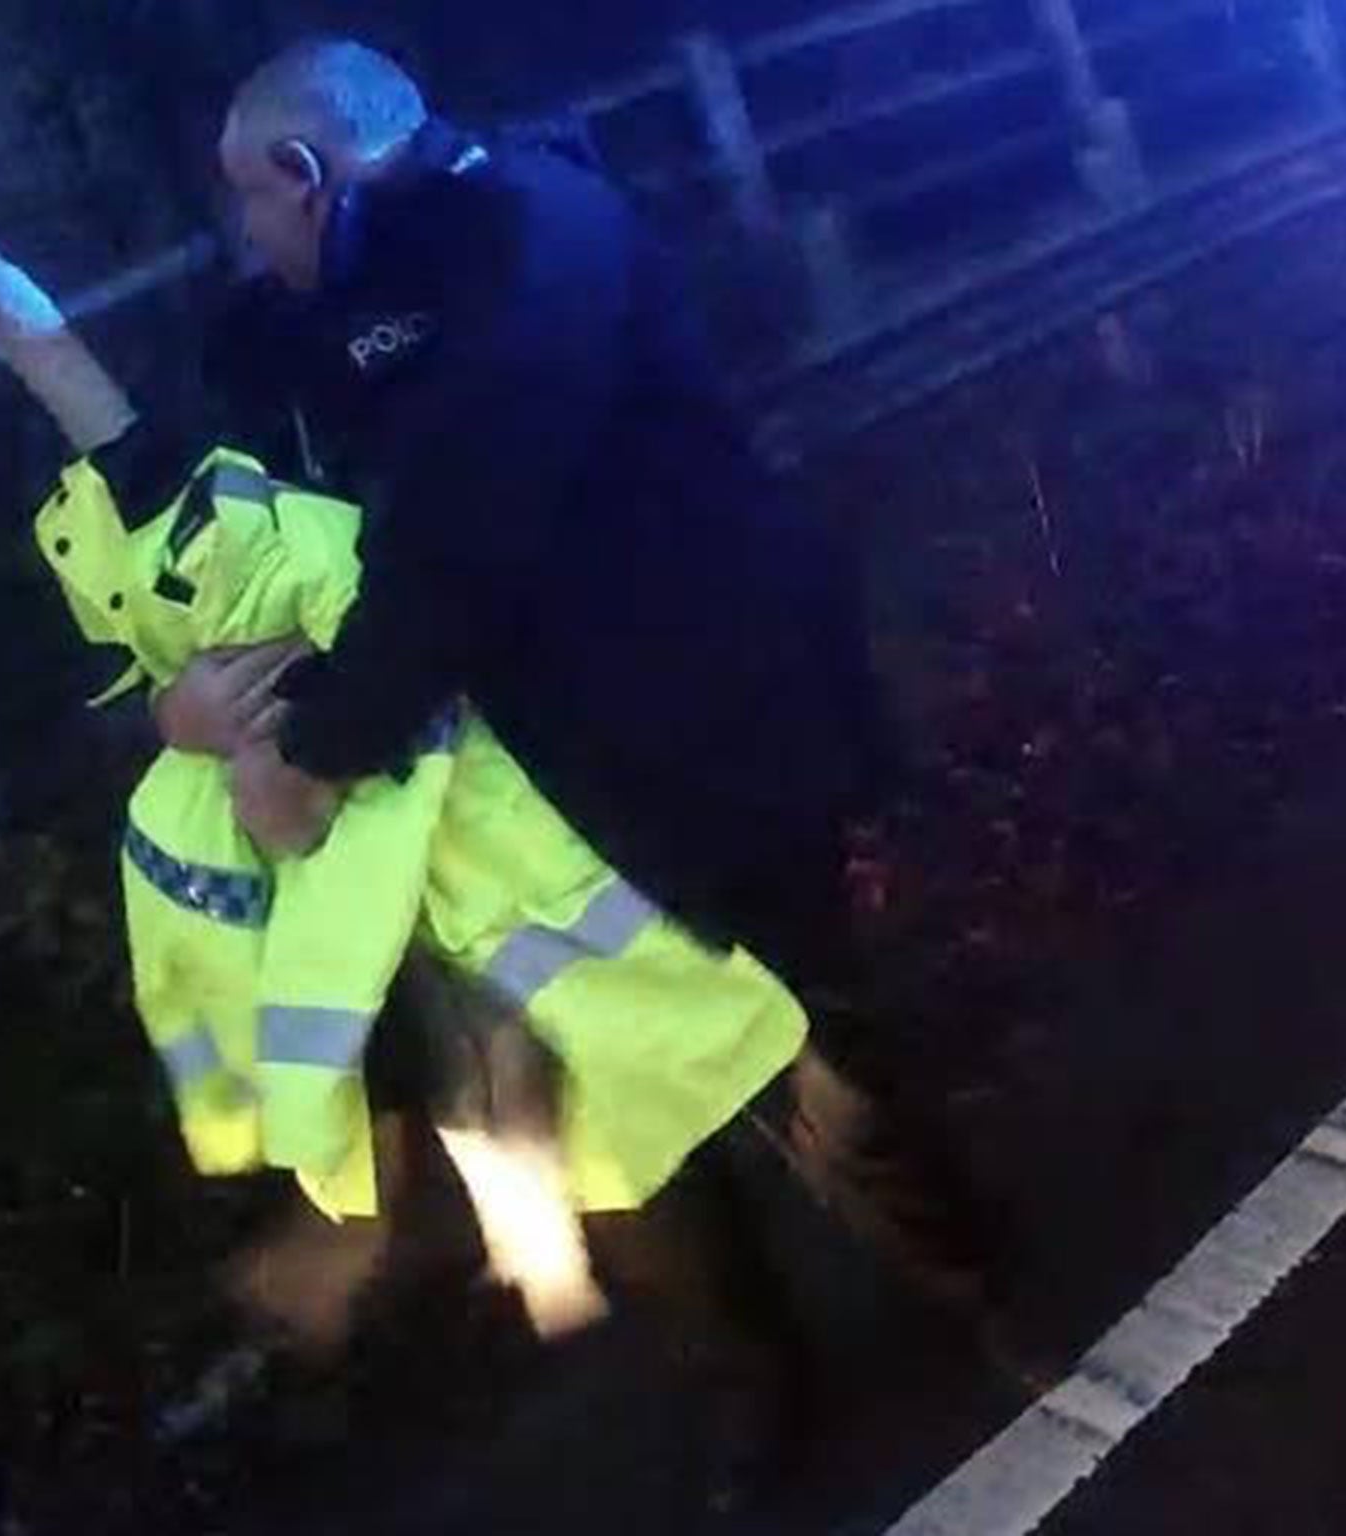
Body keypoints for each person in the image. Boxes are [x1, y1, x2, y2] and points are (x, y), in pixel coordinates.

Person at [147, 35, 1016, 1474]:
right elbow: (258, 534)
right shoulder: (306, 324)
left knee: (800, 1039)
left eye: (252, 200)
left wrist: (324, 742)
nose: (246, 236)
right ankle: (755, 1385)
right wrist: (195, 699)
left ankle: (973, 1284)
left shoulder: (539, 233)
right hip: (521, 783)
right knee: (616, 1123)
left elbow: (462, 512)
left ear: (305, 172)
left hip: (702, 716)